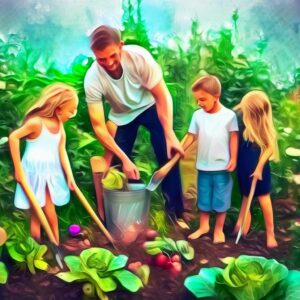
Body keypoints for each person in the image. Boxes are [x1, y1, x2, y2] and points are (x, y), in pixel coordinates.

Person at [84, 25, 187, 225]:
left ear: (121, 46)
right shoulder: (92, 79)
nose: (109, 63)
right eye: (101, 59)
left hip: (149, 106)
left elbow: (162, 96)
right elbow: (99, 127)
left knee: (167, 153)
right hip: (122, 115)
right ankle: (124, 217)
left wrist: (169, 134)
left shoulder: (140, 58)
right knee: (116, 166)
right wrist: (124, 159)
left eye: (113, 55)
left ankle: (175, 213)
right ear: (94, 55)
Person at [9, 83, 78, 243]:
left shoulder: (60, 127)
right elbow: (14, 138)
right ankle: (38, 247)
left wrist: (69, 176)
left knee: (49, 211)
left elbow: (62, 151)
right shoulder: (36, 122)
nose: (73, 114)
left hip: (51, 172)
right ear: (59, 108)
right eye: (71, 110)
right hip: (33, 172)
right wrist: (18, 170)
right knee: (36, 214)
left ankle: (55, 245)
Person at [182, 75, 238, 243]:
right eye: (197, 100)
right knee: (204, 198)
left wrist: (233, 158)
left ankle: (218, 230)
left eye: (203, 99)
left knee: (222, 198)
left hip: (222, 167)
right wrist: (179, 148)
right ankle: (204, 226)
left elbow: (234, 137)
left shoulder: (229, 116)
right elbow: (190, 136)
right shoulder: (198, 116)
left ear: (216, 97)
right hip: (203, 166)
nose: (199, 103)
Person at [232, 91, 279, 248]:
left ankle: (270, 234)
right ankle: (241, 228)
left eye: (246, 110)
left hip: (259, 172)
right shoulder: (246, 127)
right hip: (245, 171)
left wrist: (259, 169)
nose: (243, 112)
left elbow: (270, 148)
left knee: (264, 201)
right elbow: (236, 110)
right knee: (246, 198)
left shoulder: (262, 129)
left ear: (254, 113)